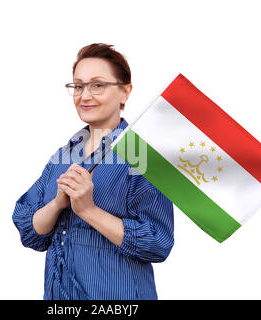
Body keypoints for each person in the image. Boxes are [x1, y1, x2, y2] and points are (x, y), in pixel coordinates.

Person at [12, 43, 174, 300]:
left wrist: (88, 210)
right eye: (78, 86)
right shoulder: (62, 157)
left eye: (97, 85)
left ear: (125, 92)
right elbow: (30, 231)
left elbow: (158, 243)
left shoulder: (143, 157)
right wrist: (56, 204)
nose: (84, 96)